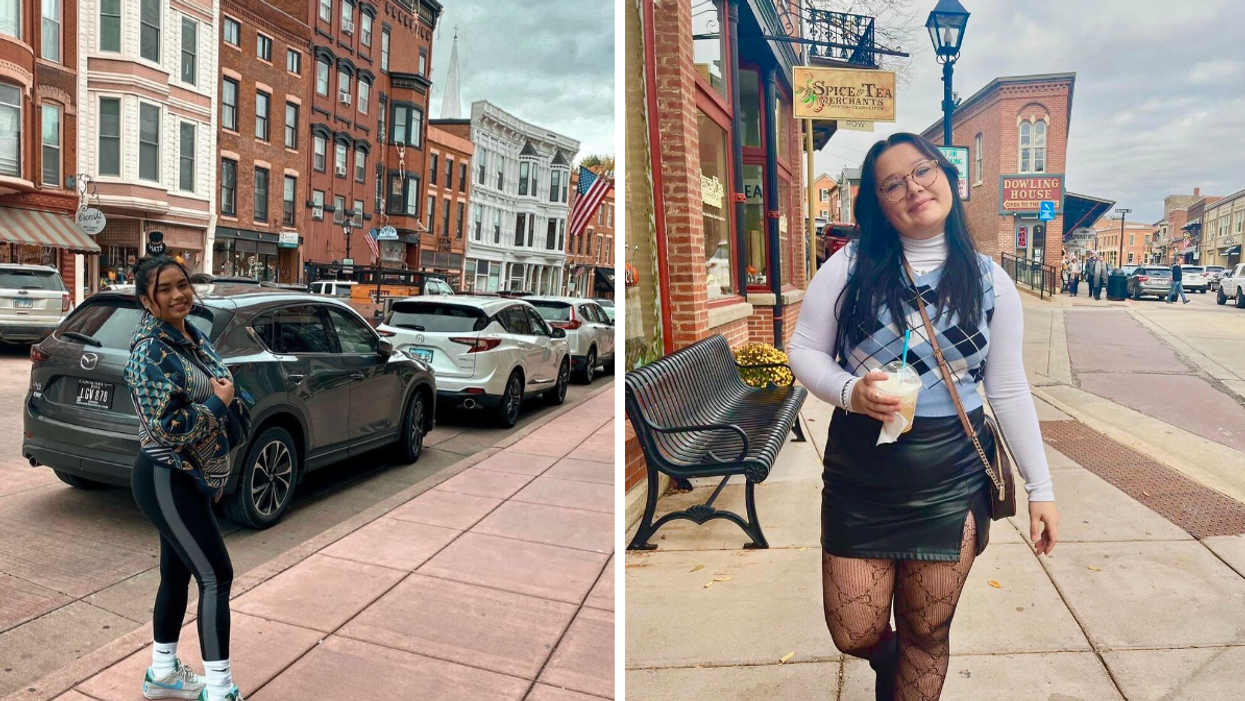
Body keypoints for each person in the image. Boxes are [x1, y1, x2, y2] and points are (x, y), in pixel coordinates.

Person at [788, 133, 1058, 701]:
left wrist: (1042, 488)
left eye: (923, 171)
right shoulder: (849, 267)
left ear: (947, 178)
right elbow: (805, 349)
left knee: (927, 632)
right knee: (854, 630)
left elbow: (1007, 387)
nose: (913, 188)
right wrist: (849, 392)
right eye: (892, 184)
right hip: (862, 469)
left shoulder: (990, 281)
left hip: (950, 472)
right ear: (879, 205)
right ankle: (891, 663)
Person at [125, 256, 245, 701]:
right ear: (146, 301)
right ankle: (220, 690)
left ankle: (162, 674)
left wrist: (213, 472)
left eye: (183, 284)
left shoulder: (190, 334)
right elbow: (166, 428)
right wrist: (217, 404)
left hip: (188, 476)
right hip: (164, 475)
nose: (178, 294)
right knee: (216, 575)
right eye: (165, 289)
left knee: (176, 573)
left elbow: (217, 385)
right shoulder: (148, 351)